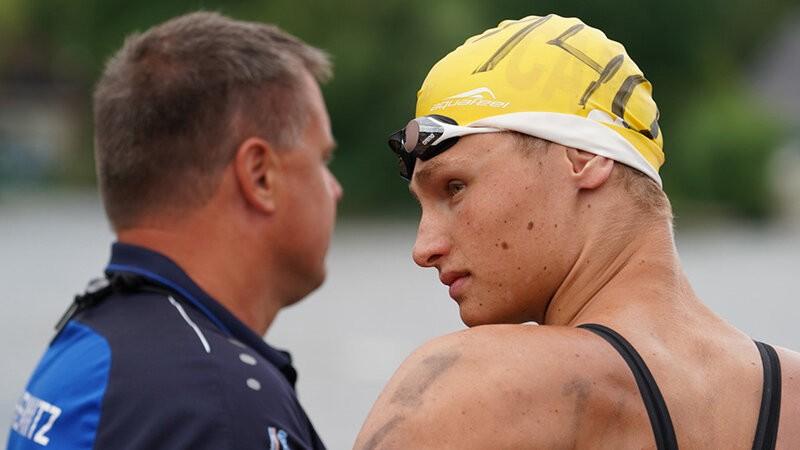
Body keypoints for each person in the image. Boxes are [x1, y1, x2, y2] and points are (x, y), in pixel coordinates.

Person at [356, 14, 800, 449]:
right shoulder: (793, 398)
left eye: (455, 187)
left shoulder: (472, 387)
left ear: (584, 158)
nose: (423, 248)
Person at [8, 11, 341, 450]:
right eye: (322, 160)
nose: (334, 190)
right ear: (259, 176)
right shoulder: (221, 406)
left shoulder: (86, 342)